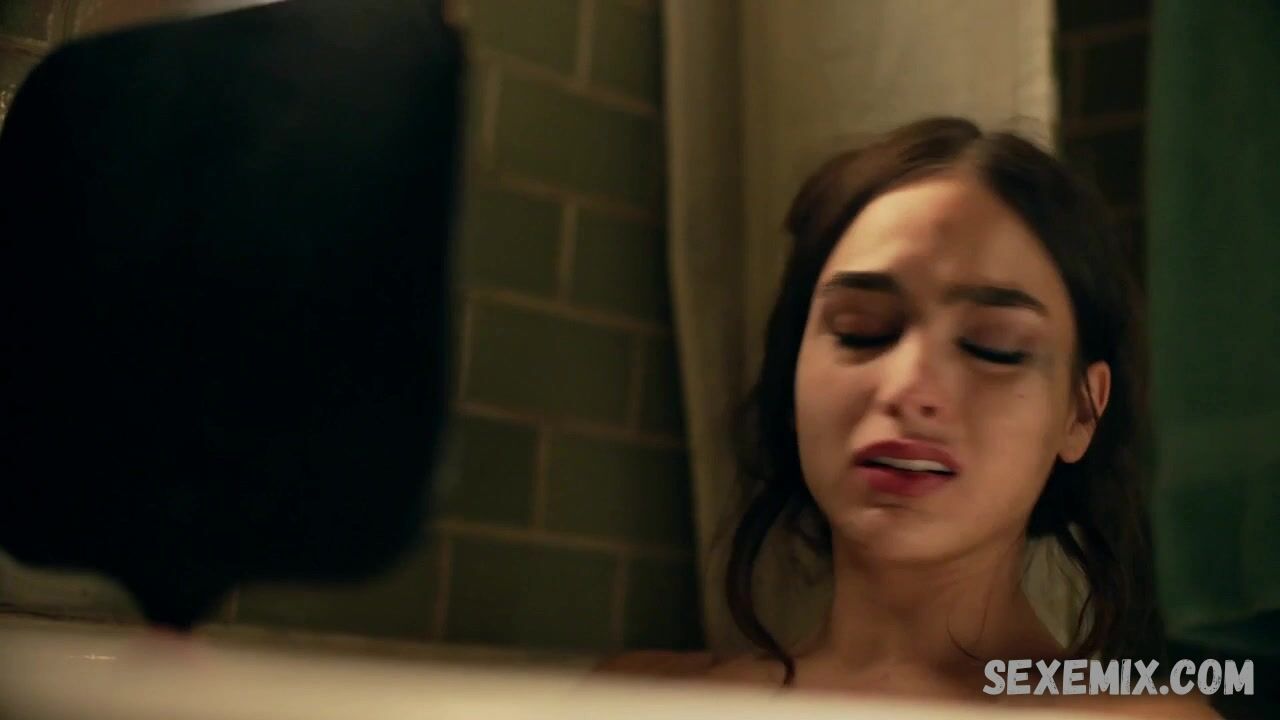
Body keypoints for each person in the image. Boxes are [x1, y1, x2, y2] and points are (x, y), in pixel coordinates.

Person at [598, 117, 1218, 718]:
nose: (909, 388)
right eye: (860, 331)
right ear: (792, 378)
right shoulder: (640, 697)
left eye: (994, 346)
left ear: (1081, 411)